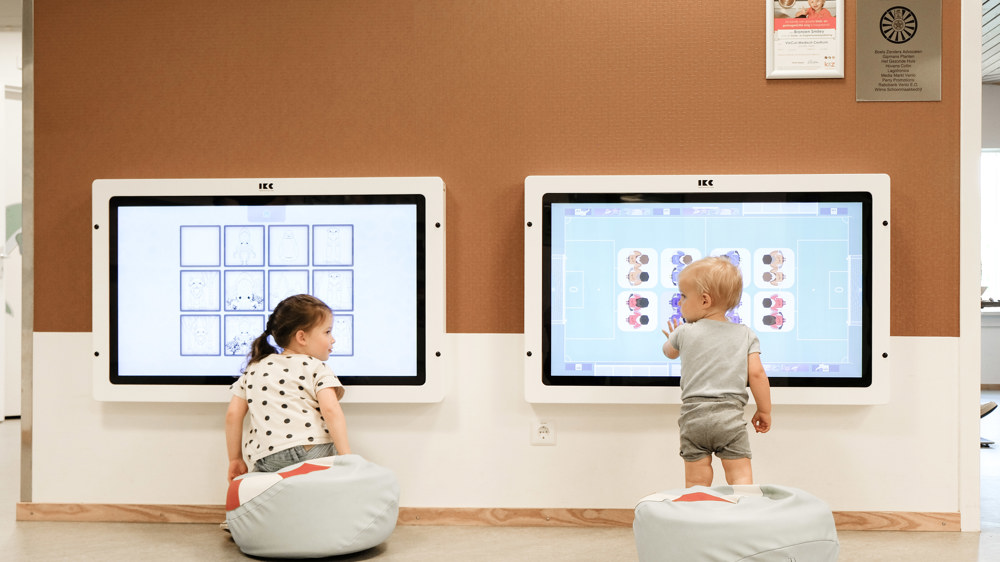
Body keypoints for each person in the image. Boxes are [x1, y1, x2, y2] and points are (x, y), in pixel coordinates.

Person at [661, 256, 772, 488]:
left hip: (694, 420)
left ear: (704, 301)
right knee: (740, 477)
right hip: (729, 420)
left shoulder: (684, 331)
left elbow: (669, 353)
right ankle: (743, 514)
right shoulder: (745, 334)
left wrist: (673, 338)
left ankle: (699, 517)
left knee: (696, 480)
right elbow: (758, 375)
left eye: (683, 296)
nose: (680, 302)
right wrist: (764, 410)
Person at [226, 294, 352, 483]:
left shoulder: (254, 368)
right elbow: (331, 410)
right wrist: (347, 458)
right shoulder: (316, 366)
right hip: (313, 451)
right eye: (327, 332)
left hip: (268, 457)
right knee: (334, 470)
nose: (332, 339)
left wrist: (235, 459)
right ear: (301, 337)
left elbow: (232, 415)